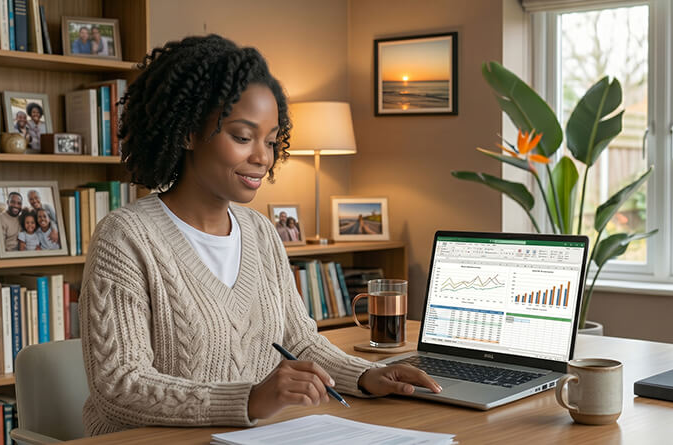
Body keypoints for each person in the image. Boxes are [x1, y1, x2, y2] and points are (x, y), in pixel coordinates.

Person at [80, 35, 440, 437]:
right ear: (187, 133)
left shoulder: (261, 233)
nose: (263, 158)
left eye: (270, 141)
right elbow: (119, 385)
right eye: (242, 136)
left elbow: (301, 343)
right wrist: (248, 398)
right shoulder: (126, 238)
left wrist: (368, 376)